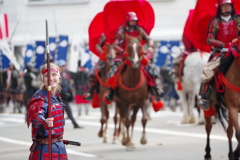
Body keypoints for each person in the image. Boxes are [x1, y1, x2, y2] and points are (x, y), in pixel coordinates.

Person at [104, 11, 162, 102]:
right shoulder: (121, 30)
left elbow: (149, 39)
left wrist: (150, 46)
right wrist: (123, 51)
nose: (133, 23)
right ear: (128, 21)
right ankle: (111, 92)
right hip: (123, 55)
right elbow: (115, 45)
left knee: (152, 70)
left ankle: (155, 88)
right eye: (132, 21)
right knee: (112, 72)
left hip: (138, 55)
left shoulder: (139, 29)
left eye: (135, 21)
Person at [198, 0, 240, 110]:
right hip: (220, 52)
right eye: (224, 6)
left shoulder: (238, 19)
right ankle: (205, 97)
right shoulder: (215, 21)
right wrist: (222, 45)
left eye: (228, 6)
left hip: (237, 49)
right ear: (220, 8)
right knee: (207, 70)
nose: (226, 8)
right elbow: (209, 39)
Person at [27, 63, 67, 160]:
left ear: (59, 77)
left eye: (54, 75)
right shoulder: (39, 97)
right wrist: (44, 121)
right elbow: (36, 118)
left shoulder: (57, 97)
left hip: (59, 148)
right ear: (43, 79)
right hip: (44, 149)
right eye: (46, 76)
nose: (51, 78)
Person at [56, 59, 84, 129]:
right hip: (58, 97)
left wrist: (69, 92)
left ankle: (75, 124)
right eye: (61, 66)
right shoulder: (55, 75)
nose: (63, 67)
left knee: (68, 111)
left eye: (64, 66)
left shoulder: (65, 74)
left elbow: (67, 85)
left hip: (65, 96)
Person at [84, 33, 106, 100]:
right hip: (103, 58)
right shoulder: (103, 37)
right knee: (91, 74)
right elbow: (97, 46)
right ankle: (91, 91)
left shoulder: (118, 33)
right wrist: (102, 52)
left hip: (116, 58)